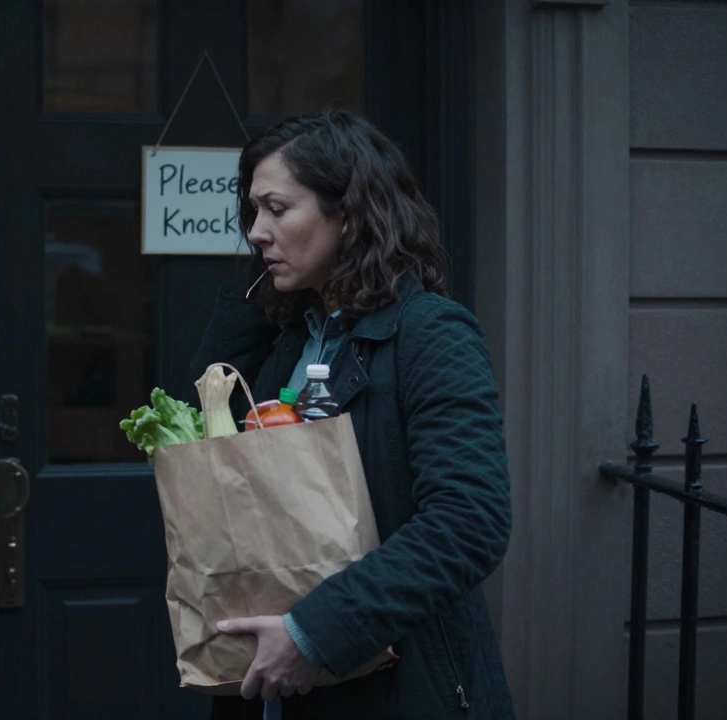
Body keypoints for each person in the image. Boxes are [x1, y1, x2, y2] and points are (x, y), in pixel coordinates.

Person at [188, 110, 514, 719]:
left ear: (348, 213)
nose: (256, 232)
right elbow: (202, 450)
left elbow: (471, 521)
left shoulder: (430, 335)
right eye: (252, 212)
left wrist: (315, 633)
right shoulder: (289, 335)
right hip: (269, 686)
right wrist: (254, 303)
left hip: (393, 687)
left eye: (277, 209)